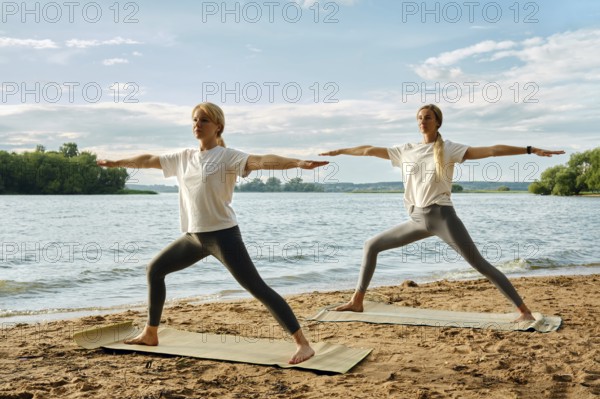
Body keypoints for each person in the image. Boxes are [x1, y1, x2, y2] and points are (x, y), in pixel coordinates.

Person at [97, 102, 328, 364]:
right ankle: (150, 333)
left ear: (218, 126)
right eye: (195, 120)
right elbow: (148, 160)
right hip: (194, 237)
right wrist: (117, 162)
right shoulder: (183, 157)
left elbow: (263, 161)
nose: (197, 124)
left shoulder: (228, 157)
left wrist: (297, 162)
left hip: (223, 236)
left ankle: (303, 344)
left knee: (257, 287)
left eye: (204, 120)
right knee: (155, 269)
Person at [319, 104, 565, 322]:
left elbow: (491, 150)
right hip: (417, 219)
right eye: (419, 118)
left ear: (437, 122)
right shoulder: (405, 150)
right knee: (371, 245)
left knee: (480, 264)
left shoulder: (449, 149)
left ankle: (524, 311)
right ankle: (357, 301)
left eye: (427, 117)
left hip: (442, 217)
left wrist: (531, 149)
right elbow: (368, 150)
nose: (422, 121)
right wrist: (340, 150)